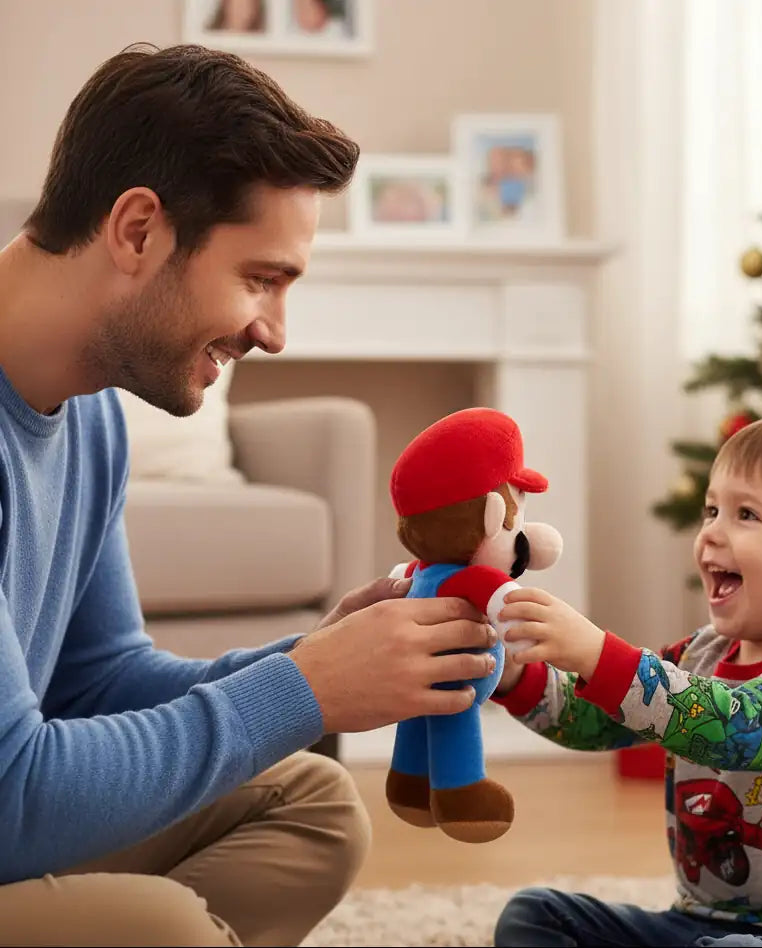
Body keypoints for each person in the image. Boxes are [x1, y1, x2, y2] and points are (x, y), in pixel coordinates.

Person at [0, 43, 497, 947]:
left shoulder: (91, 416)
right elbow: (12, 795)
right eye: (260, 279)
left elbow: (101, 683)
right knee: (166, 930)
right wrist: (306, 689)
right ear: (138, 231)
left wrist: (319, 659)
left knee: (311, 805)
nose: (273, 331)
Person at [490, 413, 762, 948]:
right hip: (697, 922)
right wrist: (512, 673)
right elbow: (591, 721)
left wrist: (599, 654)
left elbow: (735, 728)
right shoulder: (703, 653)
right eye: (712, 510)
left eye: (747, 514)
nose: (711, 533)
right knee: (536, 915)